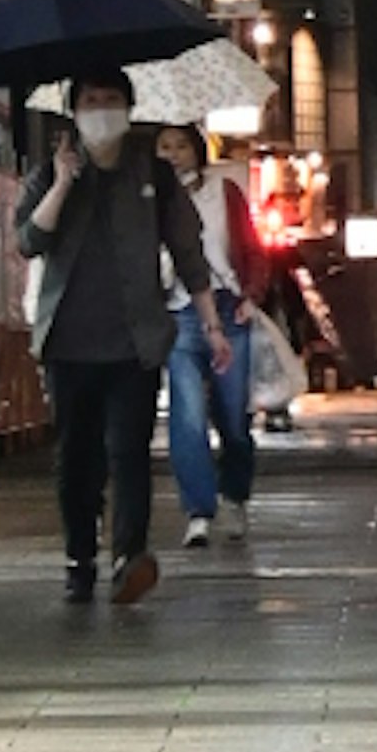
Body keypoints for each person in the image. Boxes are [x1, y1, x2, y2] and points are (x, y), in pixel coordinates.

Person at [20, 83, 214, 605]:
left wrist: (212, 326)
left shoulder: (154, 174)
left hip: (135, 340)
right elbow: (28, 241)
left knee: (128, 452)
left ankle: (129, 555)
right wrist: (62, 184)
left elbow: (189, 253)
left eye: (110, 101)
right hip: (68, 341)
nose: (101, 112)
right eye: (90, 103)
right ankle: (78, 557)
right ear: (74, 113)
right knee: (77, 457)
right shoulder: (51, 170)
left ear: (129, 110)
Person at [150, 123, 257, 552]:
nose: (173, 154)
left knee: (233, 417)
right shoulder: (148, 200)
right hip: (177, 313)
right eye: (164, 147)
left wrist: (251, 294)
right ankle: (198, 510)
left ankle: (234, 495)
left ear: (198, 150)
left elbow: (251, 247)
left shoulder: (223, 192)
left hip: (229, 309)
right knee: (187, 417)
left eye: (180, 145)